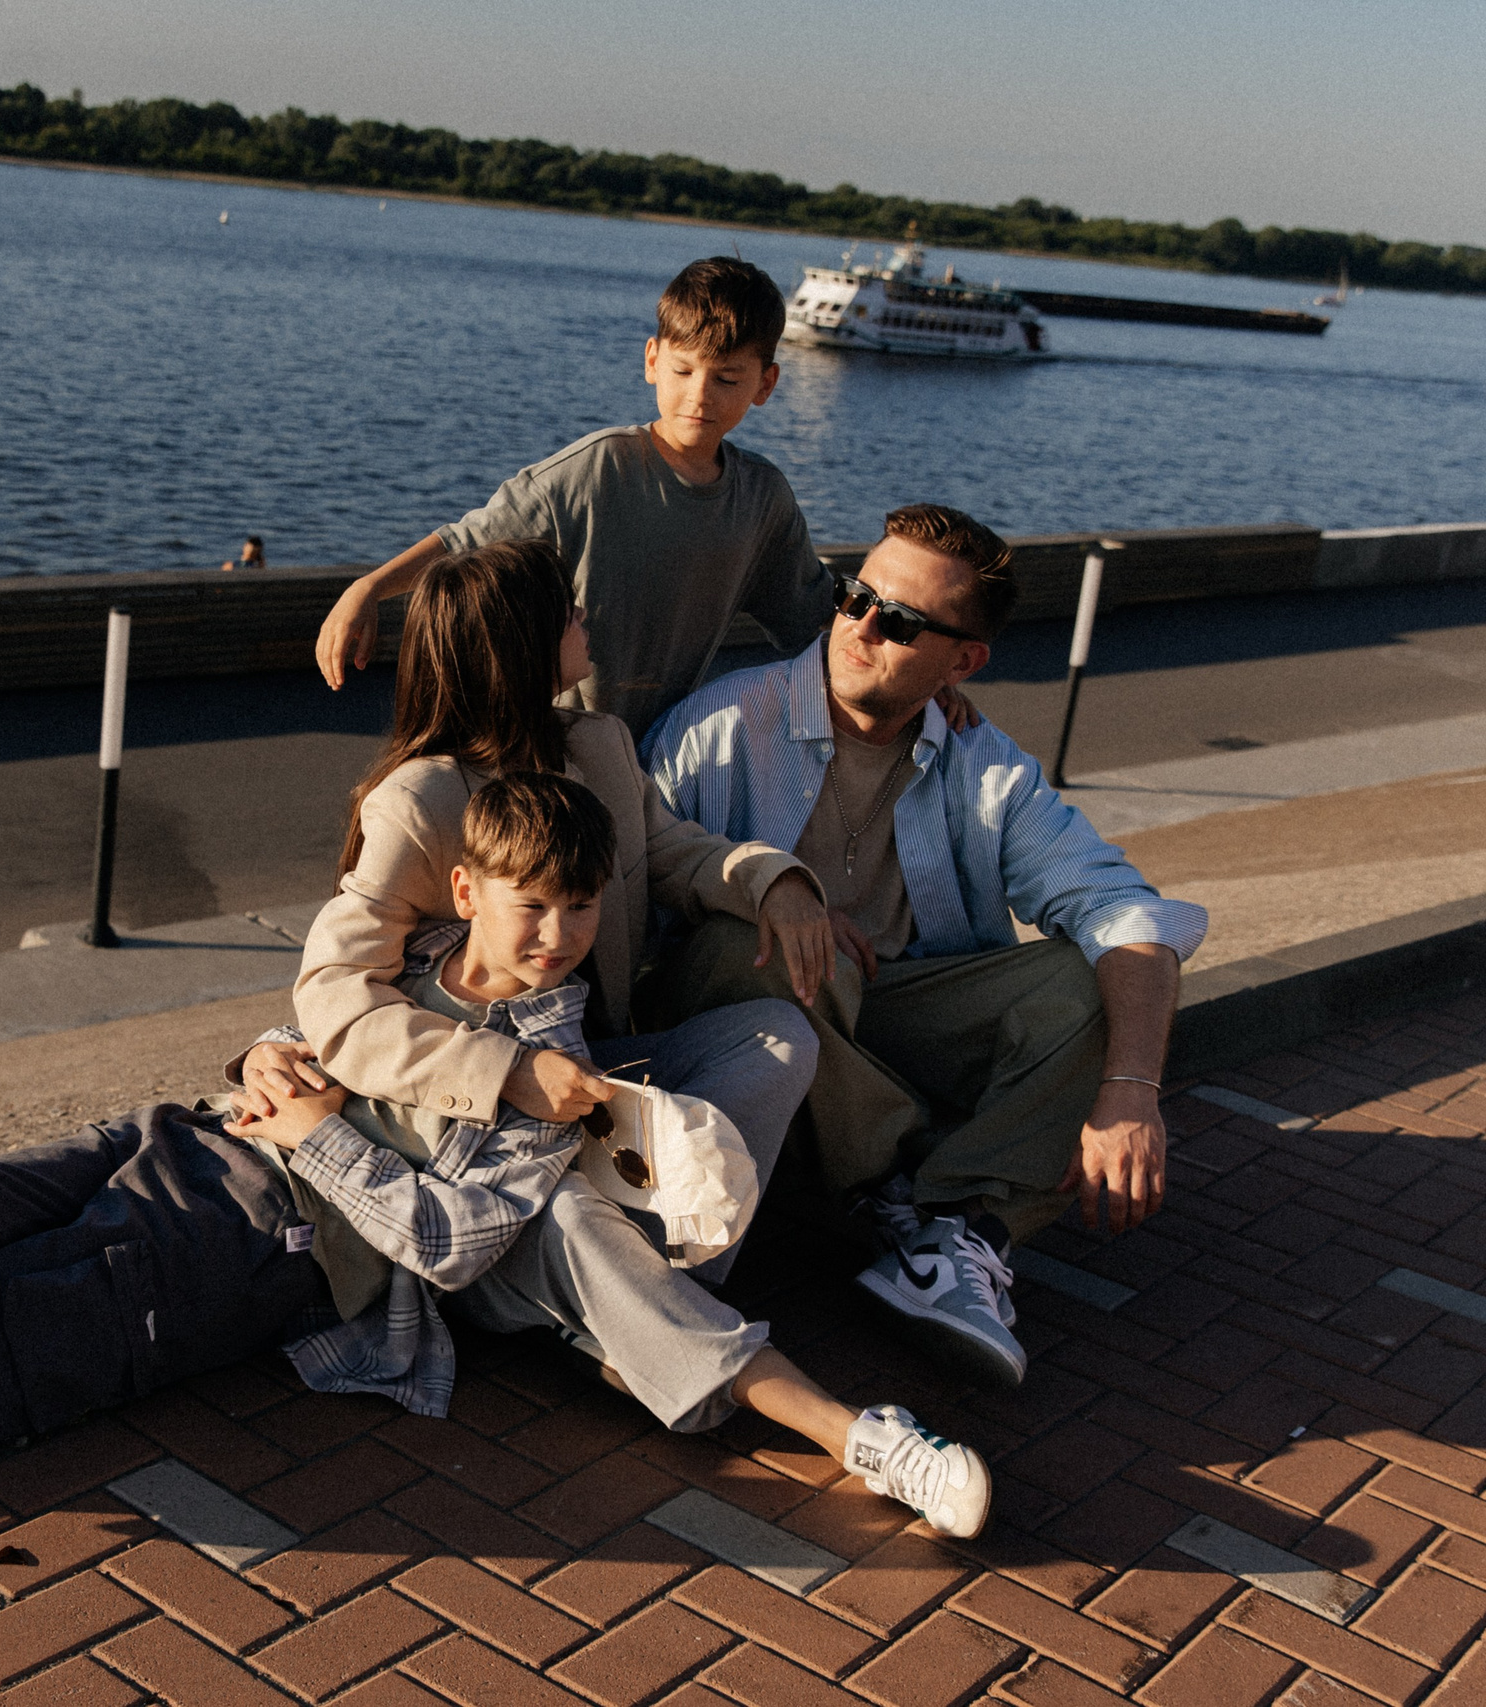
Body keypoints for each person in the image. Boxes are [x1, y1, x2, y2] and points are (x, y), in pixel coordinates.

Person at [0, 774, 993, 1537]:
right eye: (528, 903)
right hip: (189, 1140)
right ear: (465, 886)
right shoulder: (398, 970)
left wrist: (326, 1133)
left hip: (280, 1249)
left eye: (579, 911)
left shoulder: (555, 1080)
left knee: (1, 1314)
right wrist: (268, 1067)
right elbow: (316, 1036)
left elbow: (452, 1244)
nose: (553, 934)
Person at [642, 504, 1208, 1391]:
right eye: (852, 596)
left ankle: (953, 1232)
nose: (862, 627)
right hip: (750, 1039)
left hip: (899, 1018)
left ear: (964, 661)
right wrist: (765, 889)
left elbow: (1122, 910)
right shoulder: (717, 730)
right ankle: (922, 1195)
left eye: (900, 622)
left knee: (1094, 979)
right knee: (769, 947)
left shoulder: (988, 764)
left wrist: (1132, 1093)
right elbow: (634, 902)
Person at [261, 537, 835, 1292]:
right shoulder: (417, 803)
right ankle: (608, 1289)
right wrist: (510, 1073)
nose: (584, 616)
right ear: (520, 644)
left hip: (596, 1065)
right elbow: (335, 990)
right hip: (484, 1120)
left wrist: (774, 881)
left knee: (779, 1039)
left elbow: (673, 852)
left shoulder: (599, 745)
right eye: (566, 609)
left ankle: (685, 1268)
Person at [313, 256, 834, 741]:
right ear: (652, 360)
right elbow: (470, 541)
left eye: (726, 378)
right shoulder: (597, 468)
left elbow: (811, 625)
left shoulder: (762, 499)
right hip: (560, 740)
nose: (699, 395)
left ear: (765, 384)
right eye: (683, 370)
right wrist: (370, 587)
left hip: (673, 753)